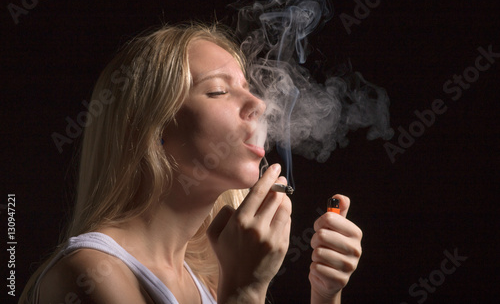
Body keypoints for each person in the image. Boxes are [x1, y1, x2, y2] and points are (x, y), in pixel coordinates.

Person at [20, 23, 362, 304]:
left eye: (247, 88)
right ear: (151, 131)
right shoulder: (89, 275)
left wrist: (325, 293)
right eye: (217, 91)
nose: (259, 104)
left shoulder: (206, 282)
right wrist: (245, 292)